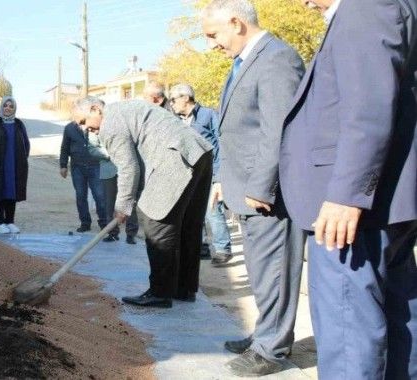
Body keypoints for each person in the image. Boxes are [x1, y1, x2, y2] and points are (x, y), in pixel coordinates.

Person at [280, 0, 417, 378]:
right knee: (397, 318)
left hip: (348, 209)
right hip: (383, 203)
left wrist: (347, 195)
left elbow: (368, 107)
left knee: (348, 335)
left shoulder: (365, 7)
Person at [201, 0, 305, 376]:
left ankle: (271, 349)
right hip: (243, 190)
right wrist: (222, 181)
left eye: (213, 35)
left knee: (274, 272)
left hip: (268, 195)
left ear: (236, 22)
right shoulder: (244, 62)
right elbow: (236, 131)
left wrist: (262, 186)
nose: (211, 44)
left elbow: (278, 129)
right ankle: (266, 333)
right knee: (262, 273)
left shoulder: (276, 58)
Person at [78, 97, 213, 309]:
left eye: (83, 121)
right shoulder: (125, 107)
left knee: (157, 222)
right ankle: (184, 289)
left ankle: (160, 293)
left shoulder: (110, 124)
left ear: (95, 109)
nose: (85, 128)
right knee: (188, 225)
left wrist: (122, 207)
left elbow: (129, 168)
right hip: (200, 152)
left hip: (175, 157)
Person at [169, 83, 232, 264]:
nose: (171, 103)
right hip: (190, 174)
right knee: (194, 212)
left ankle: (223, 249)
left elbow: (221, 144)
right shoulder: (177, 121)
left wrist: (219, 176)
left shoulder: (208, 115)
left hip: (211, 172)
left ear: (185, 98)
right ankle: (202, 247)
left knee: (212, 211)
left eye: (173, 99)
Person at [0, 96, 30, 234]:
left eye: (11, 106)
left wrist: (22, 159)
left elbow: (26, 143)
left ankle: (10, 222)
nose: (8, 108)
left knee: (12, 192)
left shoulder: (19, 124)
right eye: (5, 105)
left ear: (14, 108)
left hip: (15, 166)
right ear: (1, 107)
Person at [86, 123, 139, 244]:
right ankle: (113, 233)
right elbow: (92, 149)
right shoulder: (93, 131)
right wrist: (111, 154)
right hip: (107, 171)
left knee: (129, 201)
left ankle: (131, 234)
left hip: (125, 170)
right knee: (109, 204)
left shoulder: (119, 125)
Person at [59, 113, 107, 233]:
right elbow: (64, 147)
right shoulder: (69, 128)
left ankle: (105, 224)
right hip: (77, 168)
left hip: (96, 166)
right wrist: (63, 165)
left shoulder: (96, 124)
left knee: (100, 196)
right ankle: (85, 223)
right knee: (81, 196)